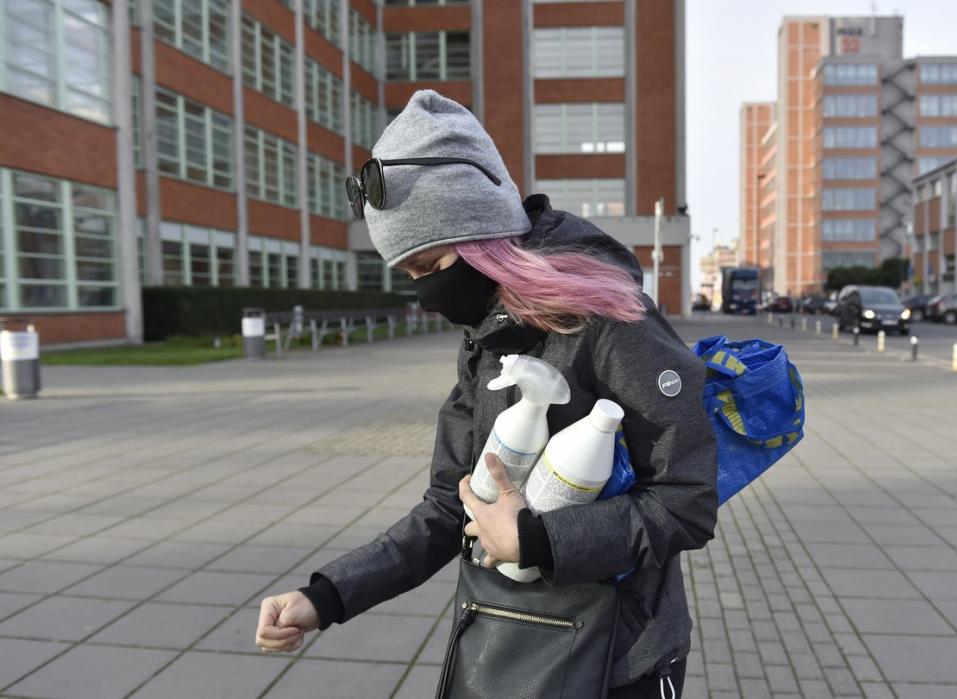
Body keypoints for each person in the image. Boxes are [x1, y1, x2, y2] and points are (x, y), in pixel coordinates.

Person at [253, 90, 717, 697]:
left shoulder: (608, 321)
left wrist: (537, 540)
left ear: (481, 237)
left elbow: (686, 502)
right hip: (509, 638)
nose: (425, 294)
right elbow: (452, 505)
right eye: (408, 274)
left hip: (617, 658)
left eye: (430, 265)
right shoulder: (488, 337)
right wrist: (327, 596)